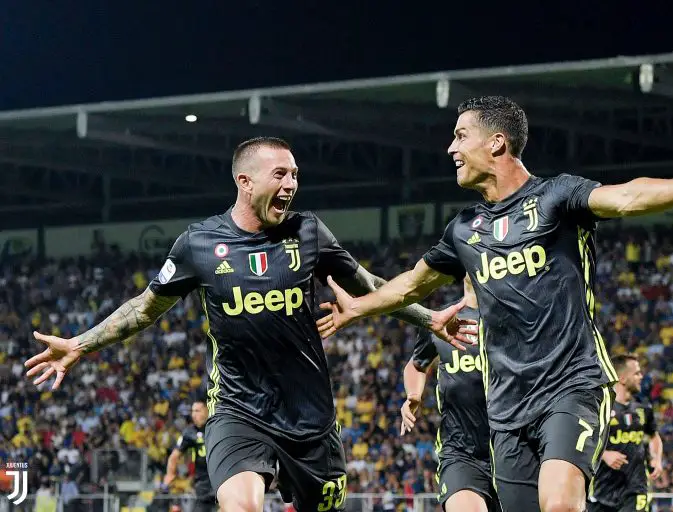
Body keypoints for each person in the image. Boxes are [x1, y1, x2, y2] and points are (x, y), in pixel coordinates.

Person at [316, 96, 673, 512]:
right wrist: (359, 308)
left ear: (496, 143)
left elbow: (625, 197)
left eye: (461, 136)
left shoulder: (557, 196)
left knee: (560, 504)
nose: (451, 148)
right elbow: (412, 284)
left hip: (571, 384)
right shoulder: (464, 229)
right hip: (506, 406)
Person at [24, 136, 472, 512]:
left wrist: (429, 318)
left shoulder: (309, 232)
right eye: (280, 174)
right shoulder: (199, 244)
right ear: (245, 181)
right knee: (242, 505)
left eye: (295, 175)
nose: (291, 184)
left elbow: (369, 285)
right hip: (238, 410)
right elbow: (144, 309)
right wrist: (80, 344)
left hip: (311, 418)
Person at [401, 275, 499, 512]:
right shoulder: (441, 319)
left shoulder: (509, 316)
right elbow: (417, 364)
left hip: (511, 446)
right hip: (460, 452)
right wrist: (413, 394)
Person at [588, 354, 662, 512]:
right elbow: (586, 440)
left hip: (636, 489)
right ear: (622, 378)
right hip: (602, 489)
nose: (641, 377)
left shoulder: (644, 409)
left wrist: (656, 458)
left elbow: (654, 436)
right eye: (637, 373)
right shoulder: (601, 409)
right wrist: (604, 455)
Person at [164, 400, 216, 512]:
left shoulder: (218, 427)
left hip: (221, 481)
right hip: (203, 485)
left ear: (207, 410)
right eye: (192, 411)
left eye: (197, 411)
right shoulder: (189, 432)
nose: (193, 415)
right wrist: (170, 474)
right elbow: (174, 456)